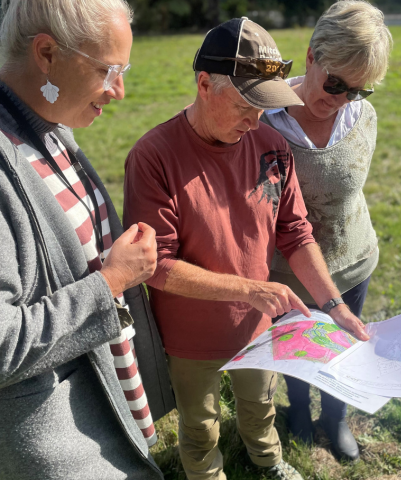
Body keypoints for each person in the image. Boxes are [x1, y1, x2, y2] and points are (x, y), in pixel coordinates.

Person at [124, 17, 369, 480]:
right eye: (245, 105)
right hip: (190, 335)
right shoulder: (154, 156)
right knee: (200, 426)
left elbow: (295, 232)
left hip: (257, 327)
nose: (256, 120)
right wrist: (251, 290)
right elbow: (156, 267)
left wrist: (333, 305)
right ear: (204, 85)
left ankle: (269, 461)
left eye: (266, 106)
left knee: (260, 406)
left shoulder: (272, 146)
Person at [0, 1, 175, 479]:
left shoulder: (46, 127)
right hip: (60, 449)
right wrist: (113, 280)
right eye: (108, 70)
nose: (119, 90)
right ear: (47, 53)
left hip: (97, 410)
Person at [261, 0, 393, 462]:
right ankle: (297, 411)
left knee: (343, 345)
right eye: (335, 82)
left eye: (357, 91)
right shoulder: (264, 119)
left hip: (353, 259)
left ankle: (334, 418)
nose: (339, 99)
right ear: (312, 54)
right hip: (286, 269)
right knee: (298, 350)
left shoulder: (363, 119)